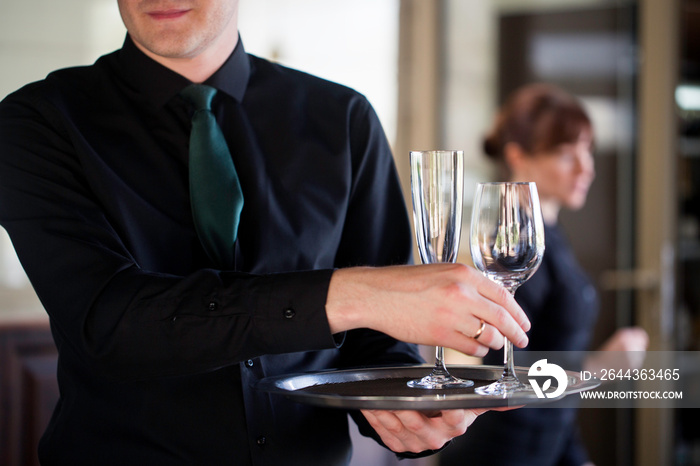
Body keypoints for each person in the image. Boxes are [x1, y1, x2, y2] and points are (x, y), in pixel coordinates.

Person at [0, 1, 532, 465]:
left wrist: (400, 409)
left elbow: (379, 343)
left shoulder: (343, 119)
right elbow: (108, 320)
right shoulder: (36, 122)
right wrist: (349, 295)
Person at [439, 83, 649, 466]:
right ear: (518, 156)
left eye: (587, 150)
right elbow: (508, 374)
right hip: (506, 452)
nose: (587, 166)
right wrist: (599, 369)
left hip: (545, 446)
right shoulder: (514, 249)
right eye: (567, 154)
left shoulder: (548, 235)